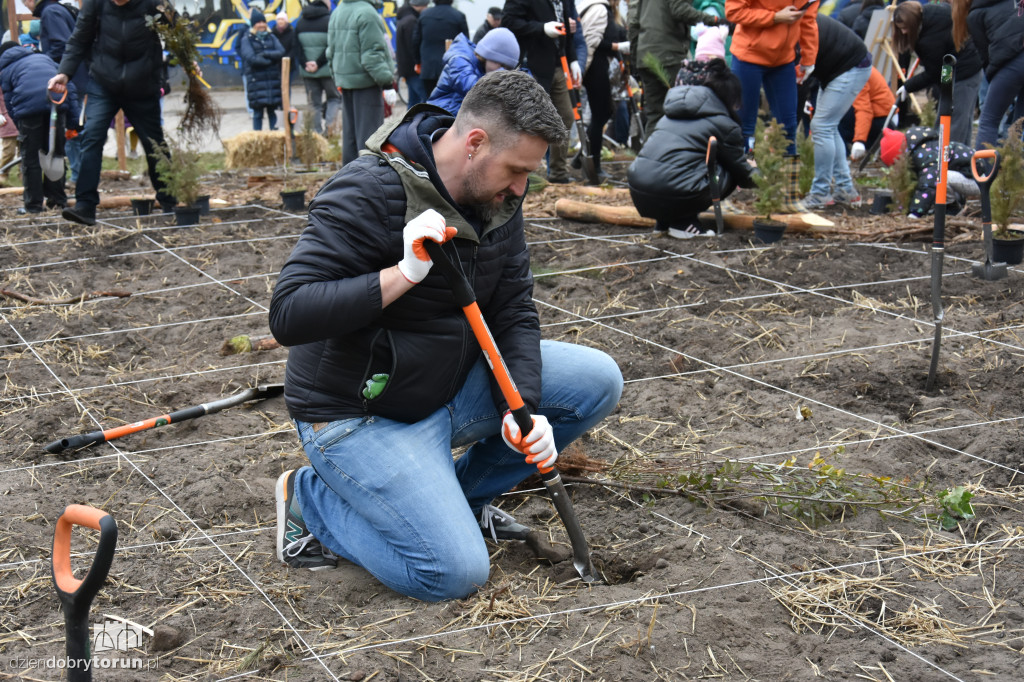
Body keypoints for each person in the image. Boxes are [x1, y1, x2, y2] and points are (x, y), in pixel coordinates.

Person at [268, 70, 623, 601]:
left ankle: (460, 501)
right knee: (452, 572)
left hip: (445, 386)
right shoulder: (370, 190)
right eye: (517, 170)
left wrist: (519, 407)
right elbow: (289, 314)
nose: (522, 189)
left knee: (596, 380)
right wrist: (401, 275)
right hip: (361, 413)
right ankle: (311, 500)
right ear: (476, 143)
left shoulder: (496, 199)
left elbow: (514, 312)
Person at [49, 0, 177, 226]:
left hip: (142, 85)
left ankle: (170, 200)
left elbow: (178, 30)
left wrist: (188, 61)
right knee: (92, 137)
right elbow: (79, 39)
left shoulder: (154, 2)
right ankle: (85, 206)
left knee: (154, 142)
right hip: (103, 83)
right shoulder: (95, 4)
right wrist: (64, 73)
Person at [628, 56, 756, 238]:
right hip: (674, 192)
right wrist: (763, 176)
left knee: (682, 165)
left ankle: (663, 222)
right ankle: (684, 223)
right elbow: (742, 174)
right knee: (727, 171)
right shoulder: (724, 124)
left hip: (639, 189)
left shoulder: (668, 115)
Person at [502, 0, 588, 184]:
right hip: (532, 65)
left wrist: (573, 59)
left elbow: (566, 30)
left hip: (559, 63)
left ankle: (558, 171)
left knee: (565, 115)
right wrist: (541, 28)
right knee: (530, 119)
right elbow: (508, 21)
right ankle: (518, 172)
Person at [0, 42, 79, 214]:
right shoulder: (45, 59)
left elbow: (9, 100)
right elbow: (70, 88)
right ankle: (57, 201)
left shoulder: (5, 69)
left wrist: (20, 125)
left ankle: (33, 206)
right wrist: (73, 123)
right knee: (56, 154)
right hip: (56, 103)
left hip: (29, 112)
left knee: (31, 158)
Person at [803, 13, 871, 209]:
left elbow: (802, 69)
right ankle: (845, 190)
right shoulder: (796, 18)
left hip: (851, 66)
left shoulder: (799, 26)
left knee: (822, 126)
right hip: (836, 69)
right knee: (828, 127)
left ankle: (820, 194)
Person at [891, 1, 982, 147]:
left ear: (913, 23)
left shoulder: (927, 41)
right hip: (951, 69)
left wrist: (908, 86)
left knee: (956, 122)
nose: (903, 33)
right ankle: (958, 157)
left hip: (964, 71)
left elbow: (932, 73)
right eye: (900, 29)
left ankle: (951, 162)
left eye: (905, 28)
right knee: (950, 117)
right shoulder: (932, 10)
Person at [629, 0, 723, 137]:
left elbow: (634, 23)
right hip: (669, 55)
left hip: (646, 56)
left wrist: (636, 56)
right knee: (683, 110)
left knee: (655, 115)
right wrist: (715, 21)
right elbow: (680, 10)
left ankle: (651, 156)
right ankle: (682, 156)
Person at [327, 0, 398, 165]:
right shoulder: (367, 12)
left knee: (350, 139)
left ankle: (349, 181)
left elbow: (330, 52)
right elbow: (372, 55)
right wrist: (387, 83)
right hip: (367, 84)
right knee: (369, 139)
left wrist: (337, 77)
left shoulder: (338, 11)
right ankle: (367, 183)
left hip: (346, 82)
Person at [25, 0, 87, 184]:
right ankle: (80, 175)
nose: (27, 7)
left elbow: (61, 45)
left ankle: (80, 176)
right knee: (75, 128)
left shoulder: (51, 13)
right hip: (75, 76)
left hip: (69, 79)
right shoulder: (58, 9)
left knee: (73, 129)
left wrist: (42, 62)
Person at [951, 0, 1024, 150]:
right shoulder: (1011, 2)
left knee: (989, 121)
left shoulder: (974, 16)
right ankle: (1017, 167)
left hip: (1011, 63)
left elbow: (986, 55)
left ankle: (984, 170)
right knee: (1020, 121)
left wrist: (994, 80)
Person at [577, 0, 628, 184]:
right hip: (595, 69)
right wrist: (617, 47)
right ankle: (594, 165)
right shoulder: (599, 9)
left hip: (599, 67)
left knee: (604, 112)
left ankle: (583, 155)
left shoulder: (604, 10)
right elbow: (593, 41)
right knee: (600, 114)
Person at [879, 126, 978, 219]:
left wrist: (915, 212)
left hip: (979, 180)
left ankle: (950, 208)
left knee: (940, 177)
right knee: (938, 177)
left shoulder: (924, 154)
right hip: (966, 176)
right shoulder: (920, 148)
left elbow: (928, 184)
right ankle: (950, 206)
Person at [427, 27, 520, 115]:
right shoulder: (460, 60)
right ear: (485, 56)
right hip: (440, 115)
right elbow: (473, 88)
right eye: (497, 63)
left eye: (506, 68)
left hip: (461, 116)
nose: (501, 71)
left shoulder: (484, 68)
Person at [294, 0, 341, 135]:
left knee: (314, 103)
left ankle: (316, 133)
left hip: (308, 72)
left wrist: (306, 63)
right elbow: (332, 46)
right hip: (327, 70)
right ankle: (329, 130)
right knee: (334, 99)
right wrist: (318, 63)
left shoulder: (300, 22)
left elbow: (296, 47)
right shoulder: (330, 20)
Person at [239, 8, 286, 131]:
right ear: (254, 24)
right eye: (258, 22)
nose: (261, 25)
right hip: (256, 83)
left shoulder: (271, 37)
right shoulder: (247, 39)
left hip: (272, 83)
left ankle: (275, 139)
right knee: (258, 114)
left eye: (263, 22)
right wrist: (270, 61)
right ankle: (257, 138)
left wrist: (265, 54)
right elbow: (250, 58)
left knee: (273, 113)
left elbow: (281, 51)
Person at [413, 0, 470, 96]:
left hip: (428, 68)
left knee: (430, 102)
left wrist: (418, 61)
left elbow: (416, 41)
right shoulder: (458, 16)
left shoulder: (424, 15)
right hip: (451, 67)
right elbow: (465, 43)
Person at [842, 66, 895, 161]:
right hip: (880, 116)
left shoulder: (855, 72)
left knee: (836, 122)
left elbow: (864, 109)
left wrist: (859, 140)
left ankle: (841, 161)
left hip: (883, 120)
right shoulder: (852, 63)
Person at [396, 0, 429, 108]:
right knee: (425, 100)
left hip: (406, 68)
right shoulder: (412, 21)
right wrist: (419, 62)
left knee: (413, 102)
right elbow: (413, 47)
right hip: (414, 69)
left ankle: (409, 124)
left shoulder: (404, 18)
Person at [269, 10, 299, 98]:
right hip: (275, 65)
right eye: (279, 19)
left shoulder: (292, 33)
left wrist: (286, 58)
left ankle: (286, 106)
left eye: (282, 19)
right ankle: (277, 105)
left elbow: (294, 48)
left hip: (289, 65)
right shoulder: (272, 34)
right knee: (276, 86)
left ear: (286, 21)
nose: (280, 21)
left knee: (286, 86)